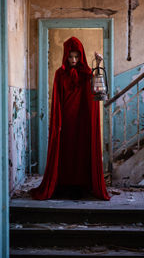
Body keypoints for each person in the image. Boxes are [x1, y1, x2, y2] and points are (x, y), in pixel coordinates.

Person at [30, 36, 110, 201]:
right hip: (66, 121)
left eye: (76, 56)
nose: (73, 60)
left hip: (83, 121)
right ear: (66, 56)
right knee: (65, 153)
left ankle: (82, 185)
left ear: (80, 56)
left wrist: (97, 65)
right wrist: (57, 122)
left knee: (81, 152)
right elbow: (57, 99)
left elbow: (96, 92)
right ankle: (63, 185)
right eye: (70, 56)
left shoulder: (87, 73)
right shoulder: (60, 74)